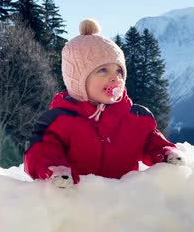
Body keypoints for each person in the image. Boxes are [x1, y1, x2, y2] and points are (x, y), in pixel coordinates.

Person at [24, 19, 184, 188]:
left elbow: (152, 142)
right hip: (79, 203)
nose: (115, 78)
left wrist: (164, 153)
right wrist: (54, 169)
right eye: (103, 70)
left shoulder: (137, 117)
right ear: (78, 81)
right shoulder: (58, 121)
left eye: (119, 71)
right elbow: (41, 151)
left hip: (123, 203)